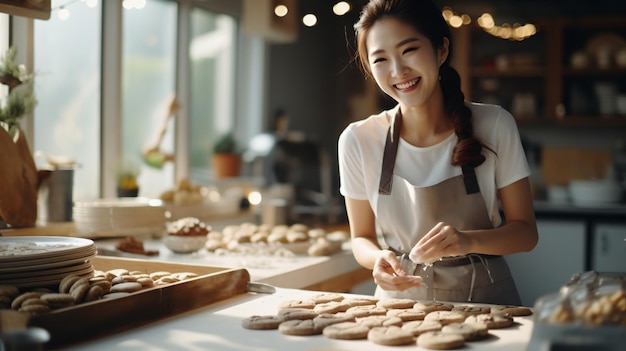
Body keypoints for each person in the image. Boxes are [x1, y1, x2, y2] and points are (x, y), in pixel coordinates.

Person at [337, 0, 538, 305]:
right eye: (380, 59)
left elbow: (525, 234)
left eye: (409, 50)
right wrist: (377, 258)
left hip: (488, 303)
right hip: (399, 305)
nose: (398, 70)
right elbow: (361, 238)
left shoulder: (495, 124)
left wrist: (468, 240)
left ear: (441, 50)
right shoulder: (358, 139)